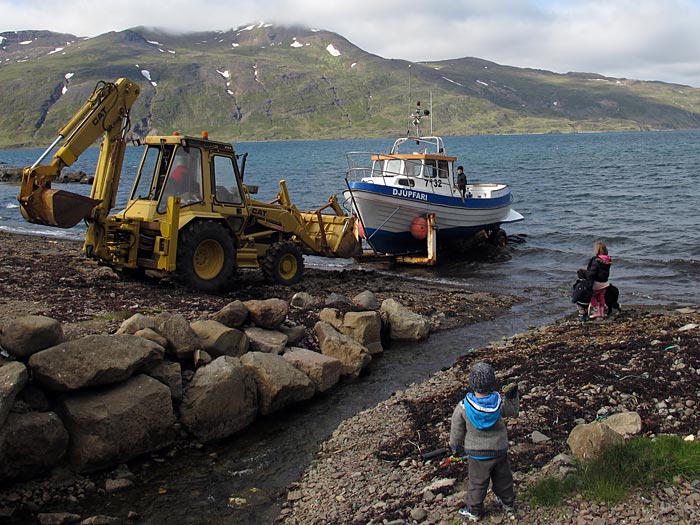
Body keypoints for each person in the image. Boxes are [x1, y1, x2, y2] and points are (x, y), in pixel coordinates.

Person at [450, 362, 519, 522]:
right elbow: (512, 411)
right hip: (499, 449)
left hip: (477, 453)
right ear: (492, 383)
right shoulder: (498, 402)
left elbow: (457, 429)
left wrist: (455, 445)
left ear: (471, 383)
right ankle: (507, 502)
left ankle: (474, 510)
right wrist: (512, 396)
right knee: (503, 477)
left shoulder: (463, 407)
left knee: (478, 482)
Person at [582, 241, 612, 320]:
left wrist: (586, 276)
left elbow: (592, 272)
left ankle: (597, 311)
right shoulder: (607, 260)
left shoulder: (596, 260)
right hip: (605, 282)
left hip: (597, 282)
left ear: (597, 250)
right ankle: (602, 312)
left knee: (592, 296)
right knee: (601, 297)